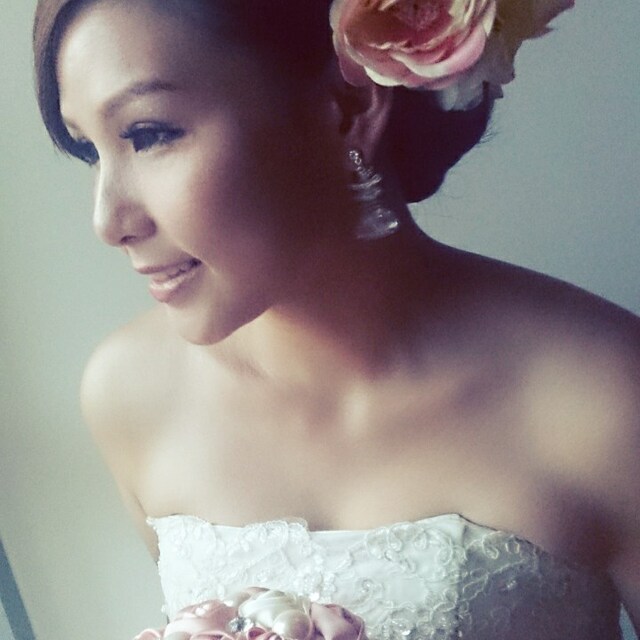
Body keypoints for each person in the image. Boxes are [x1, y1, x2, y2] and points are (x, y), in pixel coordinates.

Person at [33, 0, 639, 637]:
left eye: (148, 134)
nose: (108, 222)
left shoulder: (603, 395)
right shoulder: (128, 394)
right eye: (89, 149)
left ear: (348, 107)